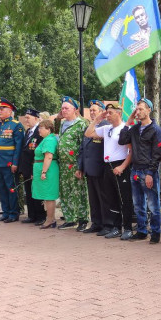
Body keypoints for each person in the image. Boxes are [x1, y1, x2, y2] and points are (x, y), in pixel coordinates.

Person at [85, 102, 134, 240]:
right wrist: (97, 120)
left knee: (125, 199)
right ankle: (116, 227)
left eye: (110, 113)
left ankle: (128, 228)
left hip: (120, 166)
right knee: (111, 199)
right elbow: (88, 134)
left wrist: (123, 167)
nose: (108, 115)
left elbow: (131, 151)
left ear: (119, 113)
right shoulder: (106, 128)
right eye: (106, 113)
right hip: (108, 166)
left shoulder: (125, 129)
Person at [119, 98, 161, 243]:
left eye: (141, 109)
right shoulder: (135, 129)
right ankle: (142, 231)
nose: (138, 112)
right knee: (138, 204)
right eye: (136, 109)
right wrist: (129, 121)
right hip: (135, 170)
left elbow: (157, 154)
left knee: (153, 204)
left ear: (149, 110)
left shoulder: (155, 129)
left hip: (147, 171)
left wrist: (150, 173)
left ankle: (156, 233)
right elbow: (122, 140)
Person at [56, 96, 89, 231]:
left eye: (66, 108)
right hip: (63, 165)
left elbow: (83, 146)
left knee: (78, 192)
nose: (64, 110)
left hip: (74, 164)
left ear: (75, 110)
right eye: (62, 108)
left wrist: (80, 166)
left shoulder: (81, 124)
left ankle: (83, 219)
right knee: (65, 192)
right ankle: (70, 219)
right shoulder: (63, 124)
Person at [78, 100, 109, 233]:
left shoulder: (106, 126)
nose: (91, 112)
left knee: (103, 198)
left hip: (100, 168)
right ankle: (96, 223)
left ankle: (105, 223)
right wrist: (80, 167)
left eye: (94, 110)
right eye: (90, 110)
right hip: (89, 168)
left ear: (102, 112)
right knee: (93, 198)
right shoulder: (89, 127)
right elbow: (82, 149)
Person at [19, 108, 47, 225]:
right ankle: (32, 215)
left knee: (37, 192)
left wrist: (33, 170)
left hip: (34, 166)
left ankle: (41, 216)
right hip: (26, 167)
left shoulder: (39, 133)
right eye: (25, 117)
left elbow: (38, 152)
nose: (26, 120)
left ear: (36, 118)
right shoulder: (28, 131)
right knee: (29, 192)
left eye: (28, 118)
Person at [33, 119, 60, 229]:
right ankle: (50, 219)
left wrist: (43, 172)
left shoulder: (49, 140)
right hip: (43, 168)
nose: (39, 130)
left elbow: (48, 156)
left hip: (47, 169)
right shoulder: (46, 139)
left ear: (48, 129)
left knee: (49, 196)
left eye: (41, 128)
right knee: (46, 195)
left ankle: (50, 220)